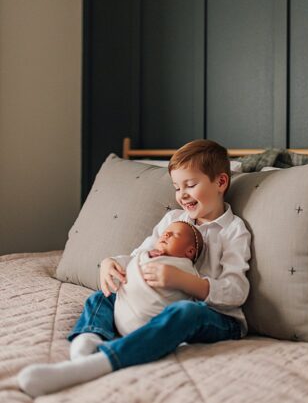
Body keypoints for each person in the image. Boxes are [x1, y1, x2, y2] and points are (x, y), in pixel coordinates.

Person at [19, 139, 252, 396]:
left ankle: (101, 363)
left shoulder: (233, 232)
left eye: (191, 185)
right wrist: (113, 264)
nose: (182, 194)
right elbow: (141, 255)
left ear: (220, 182)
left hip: (215, 317)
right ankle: (86, 345)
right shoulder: (173, 219)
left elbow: (236, 291)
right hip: (157, 301)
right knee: (103, 297)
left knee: (186, 312)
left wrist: (185, 282)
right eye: (177, 187)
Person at [113, 220, 204, 336]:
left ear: (190, 251)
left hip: (148, 322)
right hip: (123, 310)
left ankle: (115, 348)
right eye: (165, 232)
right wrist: (146, 256)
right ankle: (88, 337)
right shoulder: (146, 254)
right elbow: (131, 263)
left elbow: (194, 295)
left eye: (175, 234)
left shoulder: (186, 270)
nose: (166, 234)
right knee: (98, 297)